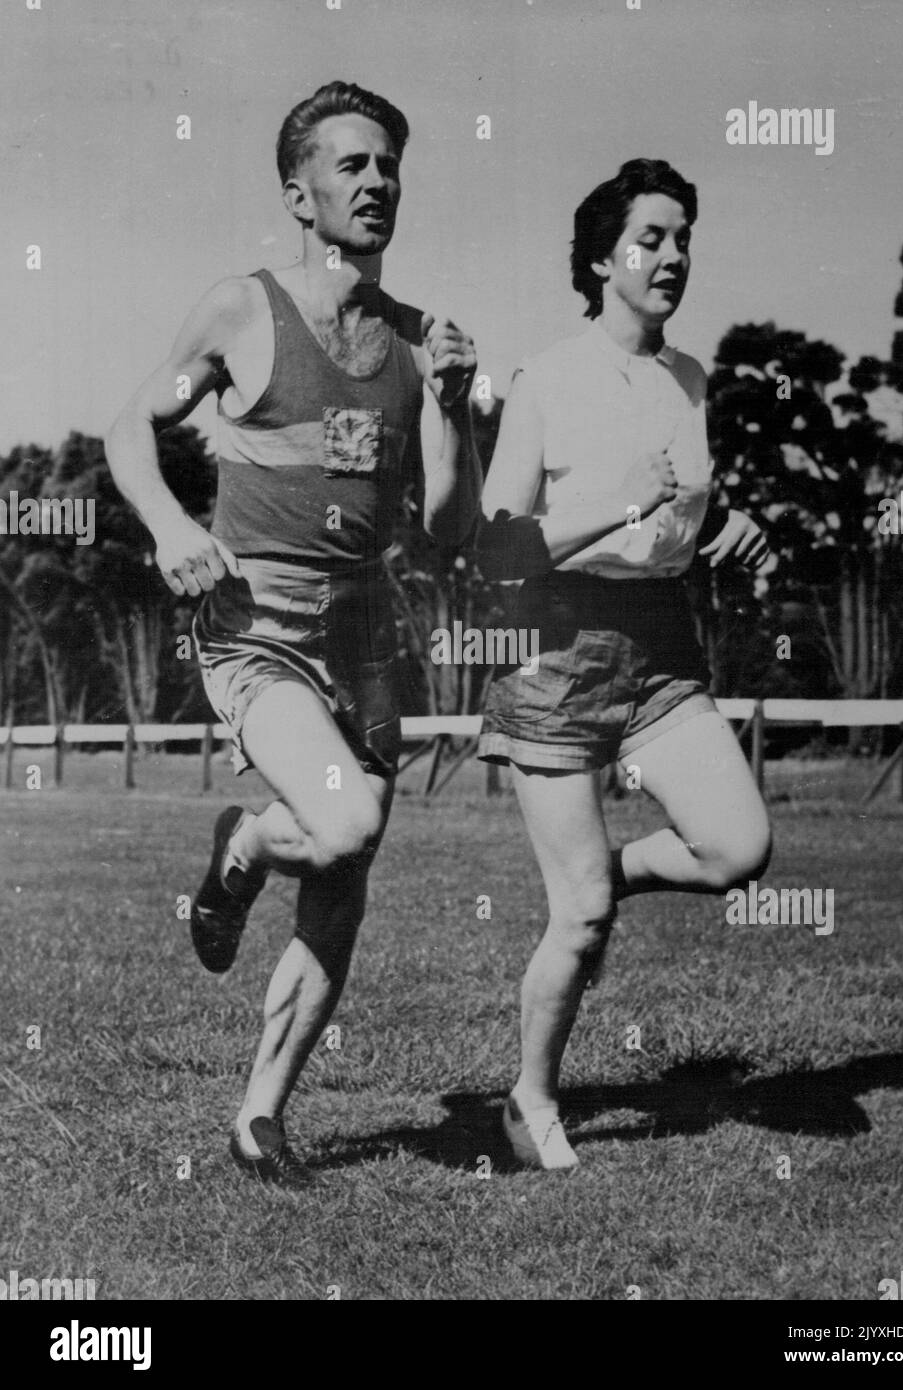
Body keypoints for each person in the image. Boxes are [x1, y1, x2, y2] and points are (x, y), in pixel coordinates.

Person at [106, 81, 480, 1178]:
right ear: (299, 194)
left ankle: (260, 1113)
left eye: (388, 166)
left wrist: (455, 405)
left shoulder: (419, 344)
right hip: (256, 625)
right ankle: (241, 846)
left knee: (343, 874)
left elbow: (451, 529)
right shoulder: (241, 310)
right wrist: (173, 524)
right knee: (343, 823)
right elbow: (134, 423)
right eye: (351, 166)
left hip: (366, 635)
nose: (376, 183)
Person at [477, 158, 772, 1170]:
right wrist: (623, 504)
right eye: (650, 238)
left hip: (662, 649)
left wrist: (734, 529)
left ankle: (602, 873)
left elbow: (686, 509)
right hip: (556, 657)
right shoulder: (546, 379)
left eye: (683, 236)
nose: (673, 256)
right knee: (583, 918)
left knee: (738, 849)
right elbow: (498, 548)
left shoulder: (693, 380)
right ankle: (530, 1098)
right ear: (602, 257)